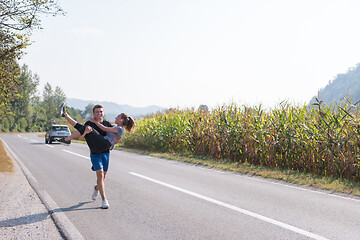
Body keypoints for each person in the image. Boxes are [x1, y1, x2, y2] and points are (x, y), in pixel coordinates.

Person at [59, 103, 132, 209]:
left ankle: (97, 188)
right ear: (93, 113)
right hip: (95, 153)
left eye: (101, 111)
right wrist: (85, 132)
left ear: (103, 113)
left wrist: (116, 141)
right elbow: (77, 128)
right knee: (100, 175)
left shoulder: (107, 124)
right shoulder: (90, 123)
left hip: (106, 152)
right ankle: (104, 200)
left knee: (102, 178)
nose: (99, 113)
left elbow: (113, 133)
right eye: (97, 112)